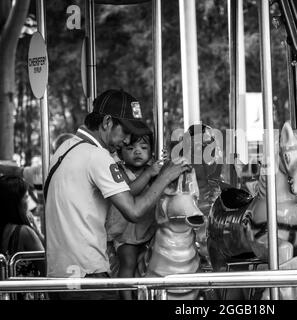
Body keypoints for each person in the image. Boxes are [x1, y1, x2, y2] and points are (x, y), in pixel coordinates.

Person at [45, 89, 190, 300]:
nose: (126, 140)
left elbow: (123, 193)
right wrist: (165, 177)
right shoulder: (97, 156)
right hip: (86, 275)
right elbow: (134, 211)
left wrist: (150, 173)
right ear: (106, 122)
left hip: (59, 275)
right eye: (125, 131)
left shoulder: (66, 148)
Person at [106, 133, 164, 300]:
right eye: (131, 148)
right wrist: (149, 174)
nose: (138, 152)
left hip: (149, 230)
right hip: (125, 234)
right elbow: (129, 191)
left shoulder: (153, 170)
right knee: (128, 261)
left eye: (144, 148)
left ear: (152, 152)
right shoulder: (119, 171)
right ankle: (126, 297)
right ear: (120, 152)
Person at [0, 175, 45, 299]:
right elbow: (47, 265)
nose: (28, 203)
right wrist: (36, 230)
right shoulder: (24, 232)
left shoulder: (5, 230)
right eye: (26, 197)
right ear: (16, 203)